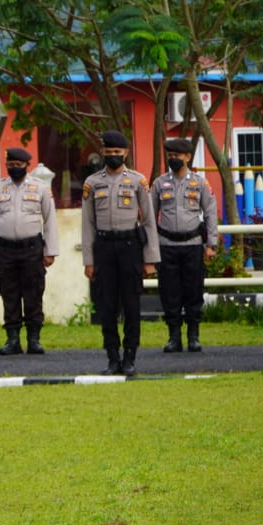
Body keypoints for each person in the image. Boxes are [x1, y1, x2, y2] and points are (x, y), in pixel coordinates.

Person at [81, 130, 159, 377]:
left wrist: (150, 259)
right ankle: (112, 357)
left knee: (131, 304)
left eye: (117, 152)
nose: (113, 156)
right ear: (103, 152)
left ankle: (130, 357)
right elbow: (88, 224)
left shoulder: (137, 181)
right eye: (109, 152)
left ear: (125, 153)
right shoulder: (92, 183)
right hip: (104, 248)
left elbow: (148, 222)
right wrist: (89, 261)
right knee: (106, 306)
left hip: (130, 247)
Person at [0, 147, 60, 356]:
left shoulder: (40, 188)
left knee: (33, 293)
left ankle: (34, 339)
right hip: (5, 250)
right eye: (11, 165)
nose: (14, 168)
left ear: (27, 166)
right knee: (9, 294)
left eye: (18, 165)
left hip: (32, 249)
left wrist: (50, 250)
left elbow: (50, 220)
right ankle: (12, 340)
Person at [152, 138, 218, 353]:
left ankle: (193, 335)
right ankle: (174, 337)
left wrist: (211, 244)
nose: (174, 159)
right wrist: (150, 250)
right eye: (170, 155)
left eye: (177, 155)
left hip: (192, 245)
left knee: (193, 290)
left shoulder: (199, 183)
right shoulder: (159, 183)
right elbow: (150, 218)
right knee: (169, 292)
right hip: (167, 245)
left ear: (188, 157)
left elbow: (210, 213)